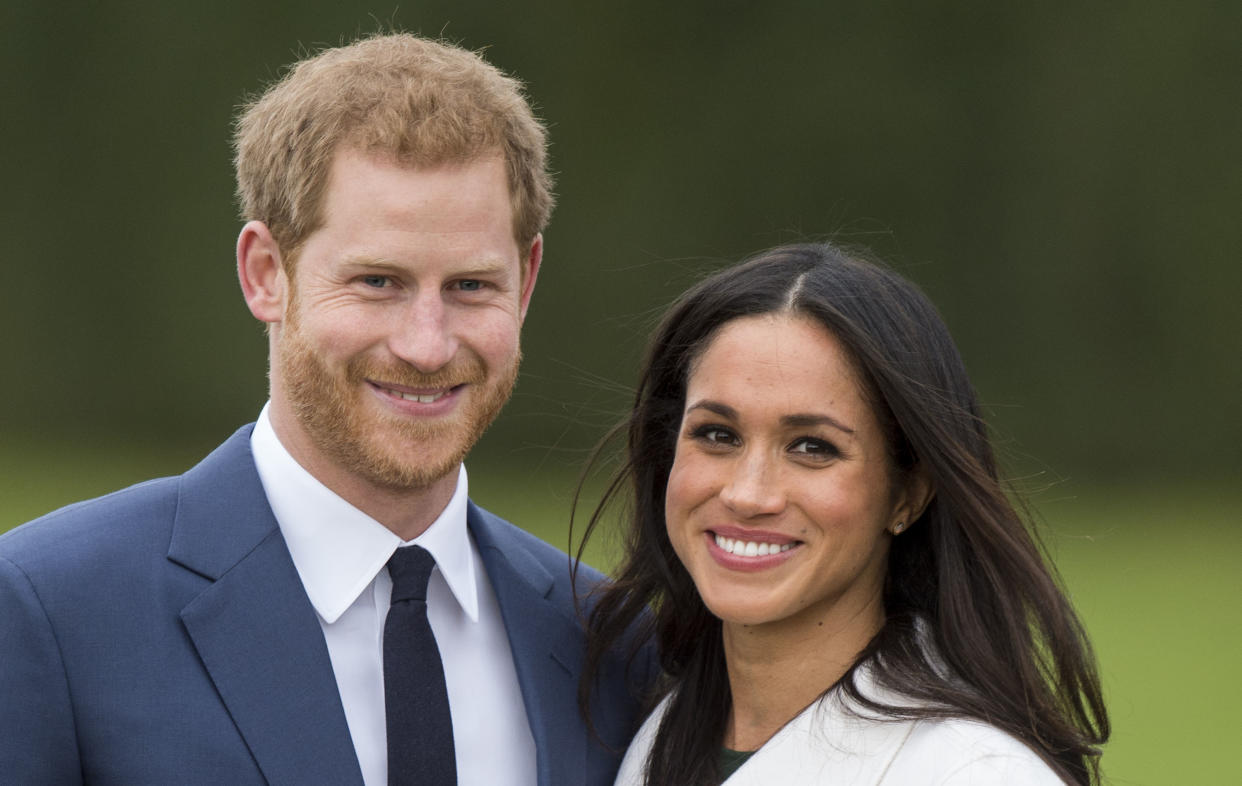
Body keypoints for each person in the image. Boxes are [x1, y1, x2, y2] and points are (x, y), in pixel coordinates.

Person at [0, 33, 651, 786]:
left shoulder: (613, 643)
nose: (427, 345)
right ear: (266, 274)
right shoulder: (50, 611)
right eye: (378, 282)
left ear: (527, 281)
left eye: (472, 286)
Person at [577, 243, 1109, 785]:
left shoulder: (971, 772)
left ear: (908, 494)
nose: (748, 493)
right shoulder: (648, 739)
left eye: (812, 447)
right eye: (718, 435)